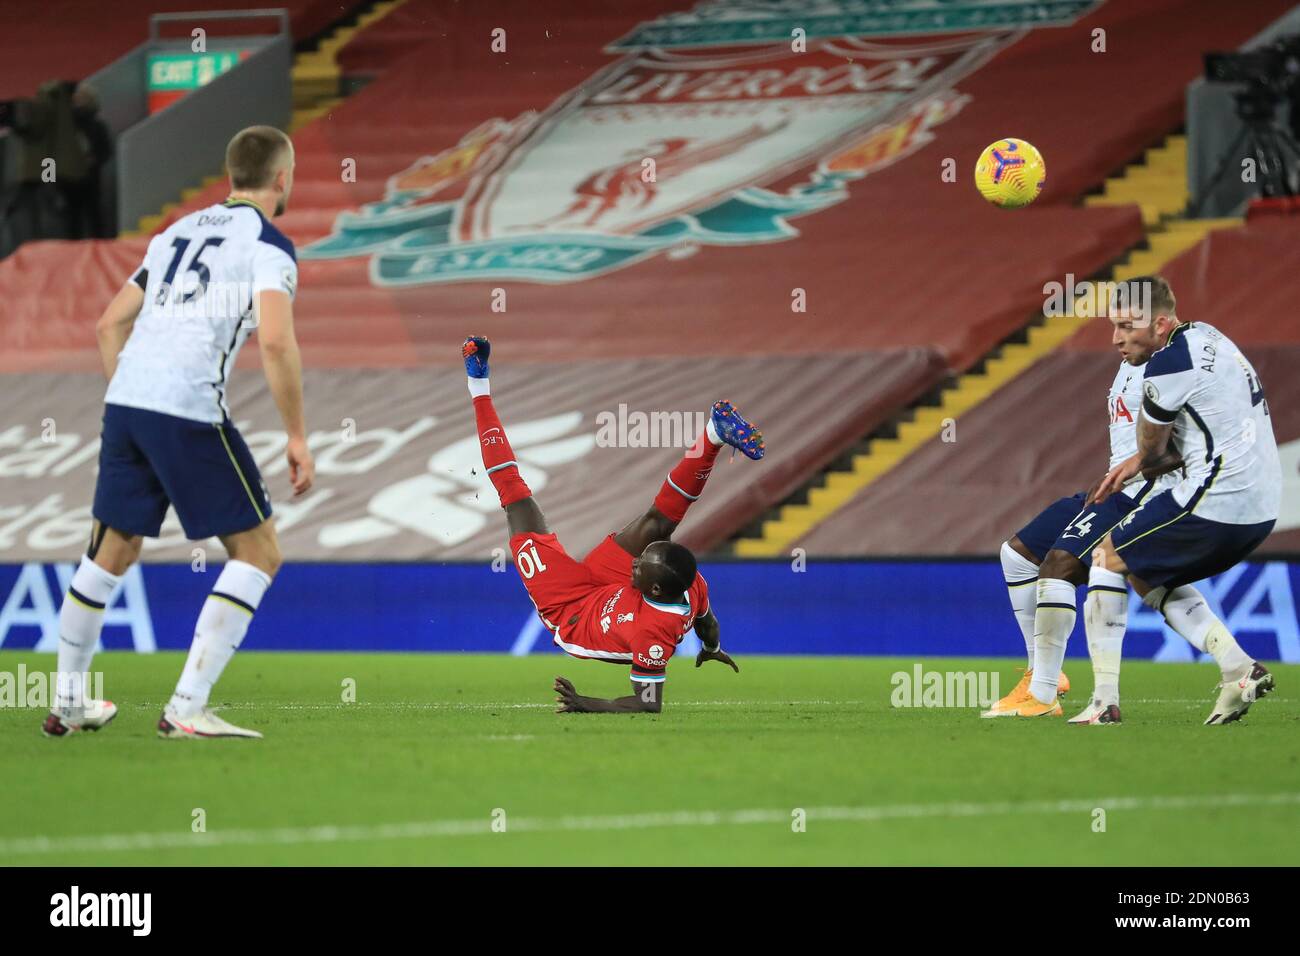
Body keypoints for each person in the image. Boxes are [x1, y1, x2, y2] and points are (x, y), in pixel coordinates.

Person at [43, 125, 313, 739]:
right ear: (281, 178)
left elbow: (109, 323)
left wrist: (132, 396)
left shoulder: (175, 233)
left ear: (229, 173)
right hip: (187, 408)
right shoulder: (268, 245)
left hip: (127, 402)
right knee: (259, 552)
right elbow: (275, 339)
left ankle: (67, 701)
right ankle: (187, 707)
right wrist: (297, 436)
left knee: (113, 549)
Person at [1023, 276, 1279, 724]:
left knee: (1105, 559)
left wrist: (1137, 462)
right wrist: (1139, 461)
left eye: (1128, 326)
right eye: (1114, 326)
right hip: (1262, 506)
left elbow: (1159, 452)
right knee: (1140, 569)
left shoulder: (1166, 365)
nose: (1118, 338)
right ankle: (1238, 668)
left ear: (1161, 325)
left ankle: (1104, 703)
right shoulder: (1210, 337)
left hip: (1215, 499)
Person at [460, 335, 761, 713]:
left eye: (640, 563)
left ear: (651, 584)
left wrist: (585, 702)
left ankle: (478, 386)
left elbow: (648, 704)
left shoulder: (654, 633)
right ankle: (713, 435)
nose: (634, 559)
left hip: (571, 610)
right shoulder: (690, 584)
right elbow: (708, 623)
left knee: (515, 499)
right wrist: (713, 648)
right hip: (615, 590)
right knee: (656, 524)